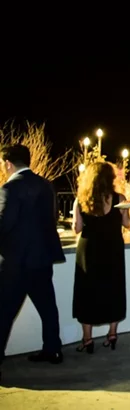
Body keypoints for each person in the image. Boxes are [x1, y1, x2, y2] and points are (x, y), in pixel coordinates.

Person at [0, 144, 65, 381]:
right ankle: (53, 350)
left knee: (4, 312)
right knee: (48, 307)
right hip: (41, 258)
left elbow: (4, 224)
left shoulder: (9, 188)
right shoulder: (45, 186)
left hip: (16, 262)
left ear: (8, 163)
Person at [72, 162, 130, 353]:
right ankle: (112, 333)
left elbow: (77, 228)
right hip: (112, 248)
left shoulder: (81, 200)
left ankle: (87, 339)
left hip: (89, 249)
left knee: (87, 290)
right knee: (113, 287)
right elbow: (127, 224)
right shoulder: (120, 198)